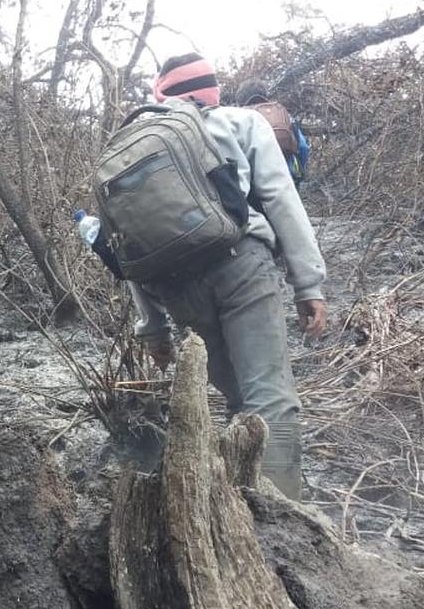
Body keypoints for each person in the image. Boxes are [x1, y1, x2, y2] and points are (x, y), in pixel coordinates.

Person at [131, 53, 328, 501]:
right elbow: (280, 199)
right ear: (212, 91)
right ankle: (281, 521)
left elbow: (132, 241)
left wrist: (154, 327)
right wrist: (308, 283)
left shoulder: (138, 141)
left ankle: (242, 504)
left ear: (162, 92)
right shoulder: (241, 123)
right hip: (241, 264)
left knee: (240, 398)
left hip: (176, 286)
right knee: (270, 400)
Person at [235, 79, 311, 187]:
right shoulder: (282, 114)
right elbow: (303, 147)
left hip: (253, 185)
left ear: (240, 99)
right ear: (265, 95)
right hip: (286, 179)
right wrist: (298, 174)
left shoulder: (237, 118)